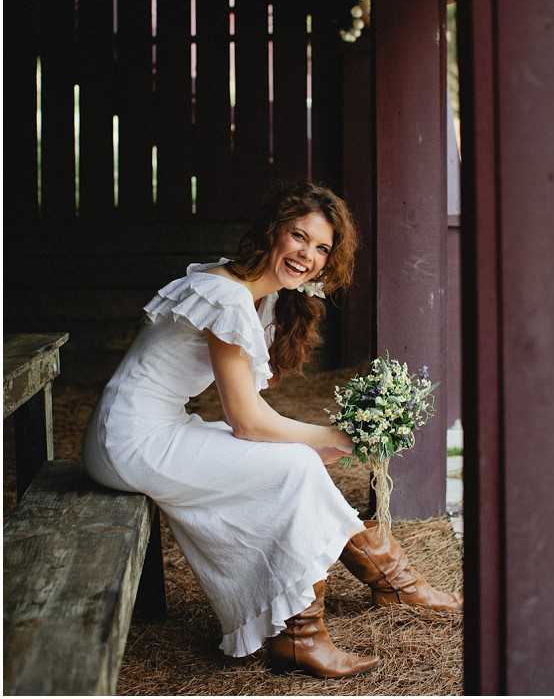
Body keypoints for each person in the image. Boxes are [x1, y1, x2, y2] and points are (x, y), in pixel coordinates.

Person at [82, 180, 461, 679]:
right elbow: (247, 420)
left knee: (295, 463)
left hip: (151, 428)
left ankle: (348, 605)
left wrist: (311, 439)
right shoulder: (226, 296)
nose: (308, 254)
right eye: (299, 237)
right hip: (130, 440)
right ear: (272, 233)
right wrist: (334, 436)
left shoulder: (256, 300)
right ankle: (348, 607)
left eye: (322, 247)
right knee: (298, 464)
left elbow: (251, 413)